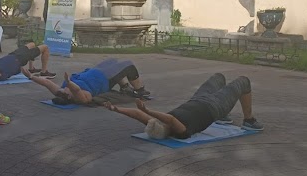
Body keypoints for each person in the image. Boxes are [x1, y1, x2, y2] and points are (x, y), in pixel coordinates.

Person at [104, 73, 264, 139]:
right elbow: (171, 119)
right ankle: (249, 120)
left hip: (198, 99)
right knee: (244, 81)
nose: (155, 120)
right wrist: (147, 109)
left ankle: (224, 118)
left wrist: (116, 109)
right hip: (215, 106)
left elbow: (138, 115)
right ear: (165, 128)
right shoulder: (180, 132)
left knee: (218, 77)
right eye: (159, 122)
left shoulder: (159, 125)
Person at [22, 58, 150, 105]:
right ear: (68, 96)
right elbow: (76, 89)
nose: (64, 88)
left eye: (63, 89)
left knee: (113, 61)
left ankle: (124, 86)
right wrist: (68, 82)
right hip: (104, 79)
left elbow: (47, 83)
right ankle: (139, 90)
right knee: (128, 65)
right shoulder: (80, 97)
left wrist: (30, 77)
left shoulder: (60, 92)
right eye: (66, 90)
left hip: (94, 72)